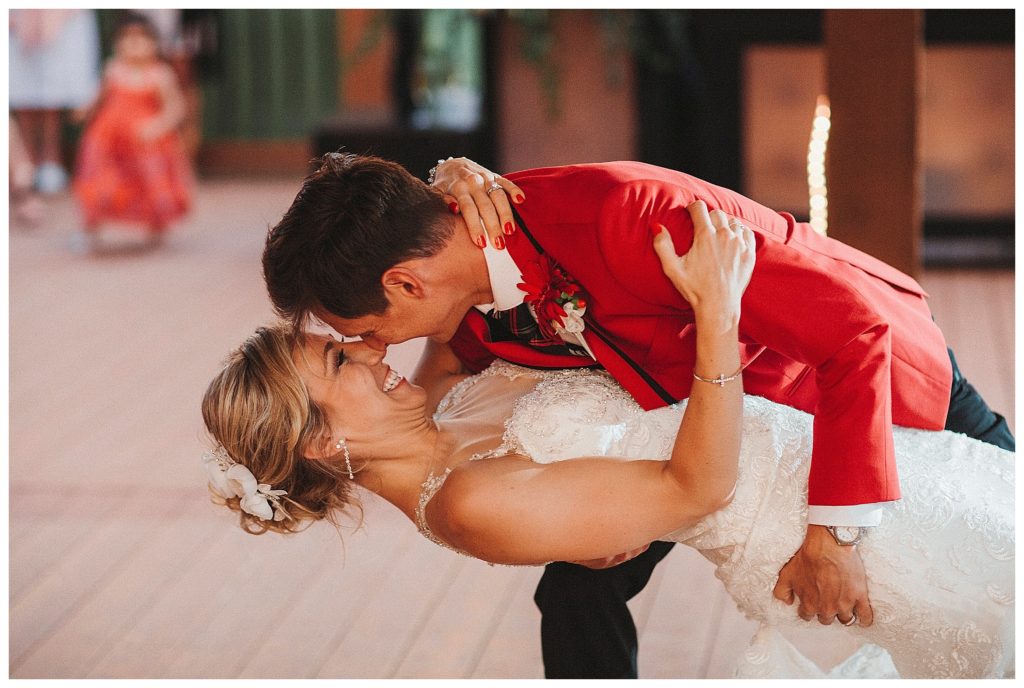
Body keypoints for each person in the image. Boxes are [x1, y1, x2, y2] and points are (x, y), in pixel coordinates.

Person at [259, 153, 1015, 678]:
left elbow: (853, 334)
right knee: (576, 588)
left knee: (995, 550)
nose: (369, 349)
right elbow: (431, 399)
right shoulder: (466, 288)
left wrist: (834, 534)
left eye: (361, 331)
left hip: (863, 392)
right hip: (705, 443)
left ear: (405, 284)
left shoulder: (627, 220)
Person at [72, 13, 193, 252]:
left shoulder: (160, 75)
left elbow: (176, 108)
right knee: (99, 183)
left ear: (154, 44)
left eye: (141, 39)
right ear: (117, 44)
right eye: (126, 39)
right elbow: (98, 98)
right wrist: (84, 110)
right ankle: (90, 228)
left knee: (149, 184)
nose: (134, 44)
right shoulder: (113, 70)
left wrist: (159, 125)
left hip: (145, 144)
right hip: (109, 143)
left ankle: (156, 227)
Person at [9, 9, 101, 194]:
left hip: (61, 16)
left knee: (53, 93)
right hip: (17, 19)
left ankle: (51, 160)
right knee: (22, 91)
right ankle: (25, 162)